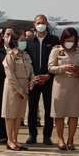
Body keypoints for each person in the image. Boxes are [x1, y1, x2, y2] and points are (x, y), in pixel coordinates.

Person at [48, 27, 79, 150]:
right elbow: (50, 67)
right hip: (60, 84)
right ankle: (60, 139)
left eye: (72, 40)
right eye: (67, 39)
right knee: (59, 114)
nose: (69, 42)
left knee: (73, 113)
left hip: (75, 84)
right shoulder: (56, 50)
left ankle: (71, 139)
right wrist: (63, 67)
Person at [24, 14, 59, 145]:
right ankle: (32, 135)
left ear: (47, 24)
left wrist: (49, 75)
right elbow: (26, 62)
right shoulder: (29, 42)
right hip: (33, 80)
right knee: (32, 109)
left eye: (43, 23)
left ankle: (47, 136)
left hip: (49, 79)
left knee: (49, 109)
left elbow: (57, 60)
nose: (41, 25)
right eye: (38, 23)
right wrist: (32, 77)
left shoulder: (54, 40)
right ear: (34, 25)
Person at [1, 30, 33, 150]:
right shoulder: (10, 55)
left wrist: (32, 81)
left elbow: (31, 70)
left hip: (24, 88)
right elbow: (10, 75)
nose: (24, 42)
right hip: (13, 88)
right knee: (11, 114)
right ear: (15, 41)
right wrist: (20, 90)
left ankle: (15, 139)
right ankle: (9, 140)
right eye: (21, 40)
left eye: (25, 40)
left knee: (19, 115)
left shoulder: (25, 55)